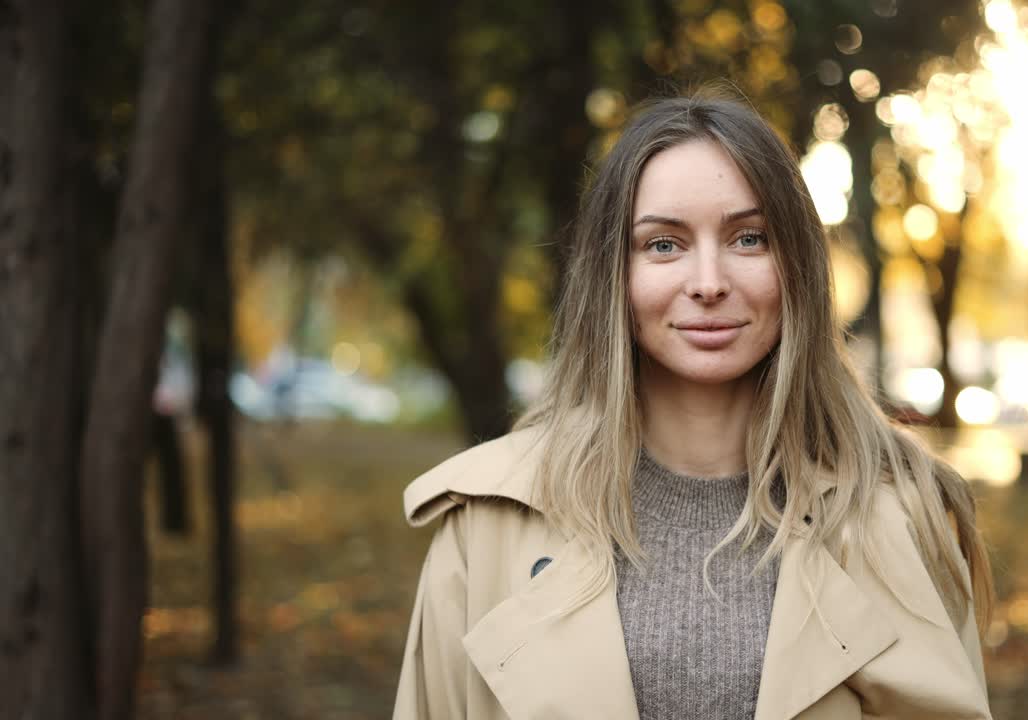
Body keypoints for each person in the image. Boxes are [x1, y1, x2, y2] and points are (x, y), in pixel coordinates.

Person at [394, 88, 995, 720]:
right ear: (614, 277)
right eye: (663, 245)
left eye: (749, 239)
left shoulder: (899, 512)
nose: (709, 283)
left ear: (796, 267)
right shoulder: (486, 524)